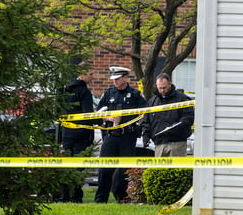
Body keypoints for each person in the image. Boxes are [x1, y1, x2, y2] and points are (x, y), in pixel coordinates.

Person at [94, 66, 147, 203]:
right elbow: (97, 113)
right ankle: (100, 199)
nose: (115, 82)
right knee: (105, 169)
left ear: (125, 78)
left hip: (127, 137)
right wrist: (106, 118)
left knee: (125, 171)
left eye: (117, 79)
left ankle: (122, 198)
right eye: (113, 79)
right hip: (111, 135)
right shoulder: (108, 93)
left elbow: (145, 113)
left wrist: (138, 127)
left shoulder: (135, 95)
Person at [59, 62, 95, 203]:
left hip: (67, 133)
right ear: (82, 75)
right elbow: (87, 115)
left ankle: (64, 196)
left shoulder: (64, 90)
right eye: (90, 74)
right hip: (81, 135)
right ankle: (76, 197)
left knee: (67, 166)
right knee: (79, 168)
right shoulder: (84, 92)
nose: (92, 77)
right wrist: (100, 120)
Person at [142, 73, 194, 157]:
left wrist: (175, 128)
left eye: (164, 87)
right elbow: (146, 121)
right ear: (156, 85)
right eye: (160, 88)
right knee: (159, 170)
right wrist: (146, 135)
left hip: (177, 143)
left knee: (176, 169)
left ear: (170, 84)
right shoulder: (152, 102)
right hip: (159, 144)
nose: (162, 90)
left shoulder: (182, 99)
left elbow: (189, 118)